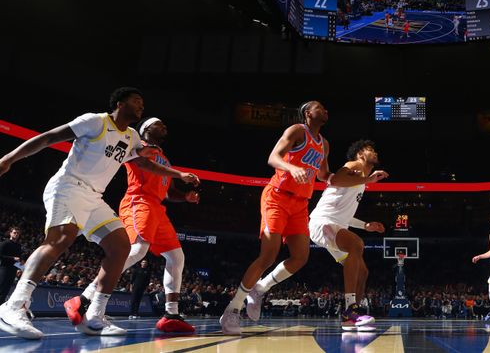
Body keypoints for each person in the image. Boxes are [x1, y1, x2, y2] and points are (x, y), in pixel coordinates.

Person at [0, 87, 199, 339]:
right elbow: (49, 137)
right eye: (136, 101)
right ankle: (14, 305)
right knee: (60, 240)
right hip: (68, 186)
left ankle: (93, 315)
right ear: (119, 103)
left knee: (120, 247)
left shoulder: (131, 138)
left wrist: (178, 175)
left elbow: (145, 163)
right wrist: (8, 158)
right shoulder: (95, 121)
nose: (141, 106)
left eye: (143, 103)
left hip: (94, 197)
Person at [67, 117, 199, 333]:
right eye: (159, 123)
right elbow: (143, 164)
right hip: (139, 201)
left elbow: (168, 192)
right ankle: (85, 298)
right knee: (137, 250)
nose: (164, 125)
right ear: (146, 129)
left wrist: (186, 197)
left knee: (176, 256)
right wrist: (180, 175)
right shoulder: (138, 146)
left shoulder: (164, 157)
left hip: (157, 208)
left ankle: (171, 314)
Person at [220, 101, 332, 335]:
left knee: (301, 257)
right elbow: (273, 157)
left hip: (301, 204)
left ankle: (260, 288)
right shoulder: (297, 131)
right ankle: (232, 309)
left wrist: (359, 177)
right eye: (319, 107)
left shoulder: (325, 144)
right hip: (278, 197)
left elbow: (324, 175)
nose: (325, 110)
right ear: (307, 113)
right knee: (268, 255)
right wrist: (292, 168)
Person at [285, 139, 389, 330]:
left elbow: (345, 216)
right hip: (322, 222)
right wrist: (369, 179)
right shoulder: (355, 166)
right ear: (359, 154)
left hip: (335, 225)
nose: (374, 152)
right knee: (356, 245)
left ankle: (352, 317)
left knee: (363, 271)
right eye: (369, 149)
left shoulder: (361, 181)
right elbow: (335, 179)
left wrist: (366, 225)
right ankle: (350, 310)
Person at [0, 227, 23, 304]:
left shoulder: (19, 246)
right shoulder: (5, 243)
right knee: (1, 289)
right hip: (4, 269)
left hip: (13, 270)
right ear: (10, 233)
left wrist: (22, 268)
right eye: (14, 232)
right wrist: (12, 258)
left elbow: (19, 259)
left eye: (18, 233)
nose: (16, 234)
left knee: (6, 291)